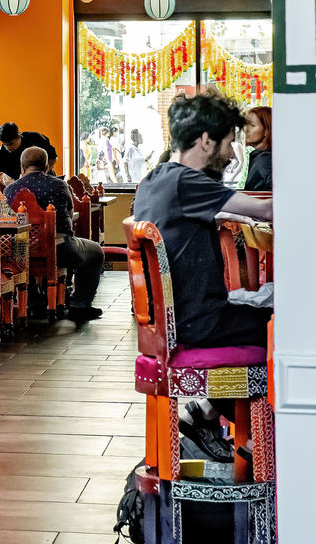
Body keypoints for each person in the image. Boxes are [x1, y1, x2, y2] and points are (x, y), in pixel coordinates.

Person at [133, 91, 272, 460]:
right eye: (228, 143)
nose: (230, 155)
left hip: (175, 322)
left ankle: (205, 413)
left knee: (262, 312)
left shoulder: (156, 178)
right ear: (206, 140)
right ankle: (267, 449)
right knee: (283, 329)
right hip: (200, 322)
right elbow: (269, 209)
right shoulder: (186, 182)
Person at [6, 147, 105, 322]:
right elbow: (69, 214)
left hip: (20, 252)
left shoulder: (10, 190)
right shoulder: (59, 185)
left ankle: (35, 299)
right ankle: (79, 304)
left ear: (22, 167)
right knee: (96, 251)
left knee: (27, 252)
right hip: (61, 248)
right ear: (46, 166)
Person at [0, 122, 57, 193]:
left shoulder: (35, 138)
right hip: (24, 189)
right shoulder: (0, 156)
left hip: (47, 181)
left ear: (18, 137)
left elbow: (53, 157)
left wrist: (42, 172)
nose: (8, 147)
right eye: (4, 144)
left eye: (10, 144)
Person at [243, 106, 272, 192]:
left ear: (267, 130)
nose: (246, 130)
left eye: (252, 125)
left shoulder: (264, 159)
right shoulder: (260, 156)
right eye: (246, 124)